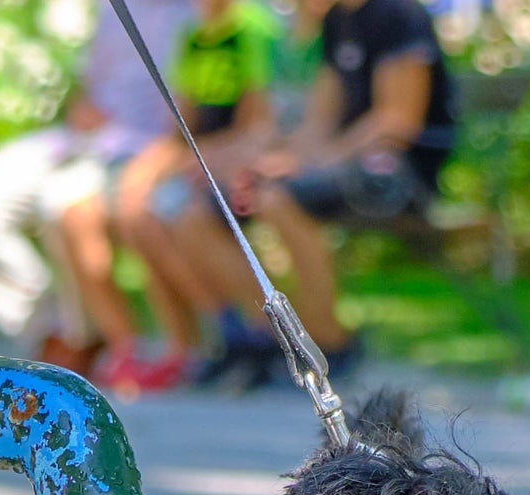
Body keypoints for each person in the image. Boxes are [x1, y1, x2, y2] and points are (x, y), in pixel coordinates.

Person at [179, 0, 456, 381]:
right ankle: (267, 341)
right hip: (343, 161)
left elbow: (397, 121)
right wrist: (276, 160)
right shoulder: (338, 20)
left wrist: (314, 162)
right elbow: (319, 120)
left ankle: (332, 341)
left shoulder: (399, 14)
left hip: (400, 171)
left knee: (276, 199)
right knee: (206, 208)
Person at [0, 0, 190, 374]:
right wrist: (82, 109)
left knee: (63, 202)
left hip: (140, 151)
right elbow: (91, 85)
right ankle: (52, 329)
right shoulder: (113, 8)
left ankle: (85, 343)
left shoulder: (200, 12)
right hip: (77, 140)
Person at [59, 0, 283, 396]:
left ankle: (258, 333)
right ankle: (205, 340)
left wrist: (201, 160)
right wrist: (146, 173)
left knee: (184, 217)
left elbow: (261, 125)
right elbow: (179, 125)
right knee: (135, 212)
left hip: (239, 161)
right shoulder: (195, 34)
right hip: (198, 158)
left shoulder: (252, 29)